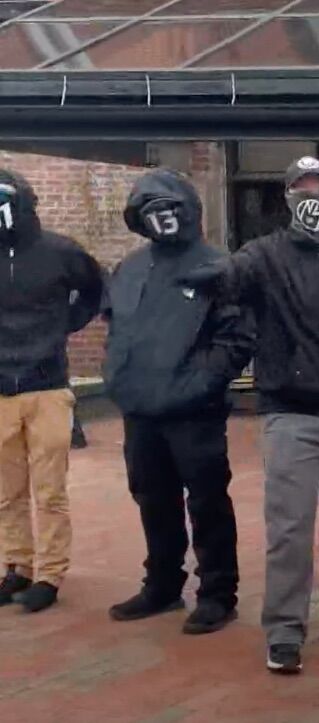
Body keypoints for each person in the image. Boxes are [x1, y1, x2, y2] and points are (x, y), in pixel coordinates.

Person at [180, 157, 319, 674]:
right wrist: (201, 273)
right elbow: (229, 276)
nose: (313, 196)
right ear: (288, 198)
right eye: (302, 189)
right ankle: (283, 629)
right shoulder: (264, 257)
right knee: (290, 530)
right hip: (292, 416)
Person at [103, 169, 254, 634]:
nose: (163, 219)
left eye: (170, 209)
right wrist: (119, 378)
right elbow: (117, 328)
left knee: (207, 501)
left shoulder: (218, 266)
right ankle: (163, 585)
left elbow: (238, 337)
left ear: (187, 212)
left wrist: (200, 384)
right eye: (151, 212)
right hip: (141, 410)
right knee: (152, 498)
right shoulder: (130, 269)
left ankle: (217, 594)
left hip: (194, 411)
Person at [0, 168, 104, 613]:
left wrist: (62, 327)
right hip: (1, 390)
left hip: (48, 388)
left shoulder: (60, 252)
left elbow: (94, 291)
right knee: (7, 491)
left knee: (50, 491)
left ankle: (50, 574)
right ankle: (16, 567)